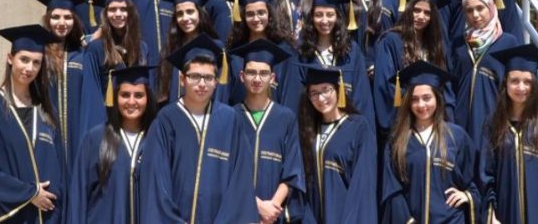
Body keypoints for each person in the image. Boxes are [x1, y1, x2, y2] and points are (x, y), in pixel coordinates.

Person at [139, 34, 259, 223]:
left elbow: (240, 182)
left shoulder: (229, 120)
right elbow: (156, 182)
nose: (202, 84)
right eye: (195, 77)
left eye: (208, 78)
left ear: (216, 81)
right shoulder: (166, 120)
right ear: (182, 79)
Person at [0, 25, 66, 223]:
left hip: (48, 217)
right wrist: (29, 193)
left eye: (36, 63)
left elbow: (61, 169)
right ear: (10, 58)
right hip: (14, 217)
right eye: (24, 59)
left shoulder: (46, 112)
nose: (30, 68)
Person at [480, 45, 538, 224]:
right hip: (505, 216)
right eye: (514, 81)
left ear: (535, 85)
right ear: (505, 83)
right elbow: (486, 174)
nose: (521, 87)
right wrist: (491, 215)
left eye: (527, 82)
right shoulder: (493, 123)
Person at [381, 61, 479, 224]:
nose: (421, 105)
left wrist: (468, 196)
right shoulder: (397, 141)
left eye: (427, 98)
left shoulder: (456, 136)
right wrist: (407, 220)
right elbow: (392, 190)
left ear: (437, 99)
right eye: (414, 99)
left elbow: (474, 179)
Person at [66, 66, 157, 224]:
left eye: (139, 95)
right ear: (115, 97)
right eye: (125, 95)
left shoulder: (156, 140)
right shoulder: (94, 139)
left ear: (148, 98)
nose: (131, 101)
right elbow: (79, 196)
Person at [231, 39, 306, 223]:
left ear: (272, 78)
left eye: (263, 73)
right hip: (238, 213)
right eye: (251, 73)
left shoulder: (285, 118)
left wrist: (271, 209)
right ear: (242, 76)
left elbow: (293, 170)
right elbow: (226, 171)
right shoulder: (230, 117)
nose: (257, 79)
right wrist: (256, 205)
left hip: (274, 215)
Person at [32, 0, 102, 169]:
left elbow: (92, 101)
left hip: (78, 139)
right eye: (55, 17)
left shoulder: (83, 55)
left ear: (75, 20)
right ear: (47, 20)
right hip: (47, 138)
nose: (61, 22)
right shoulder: (39, 56)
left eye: (68, 17)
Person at [373, 0, 449, 141]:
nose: (421, 16)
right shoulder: (391, 41)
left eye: (427, 12)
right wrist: (414, 109)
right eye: (416, 10)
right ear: (407, 9)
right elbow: (385, 85)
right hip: (402, 123)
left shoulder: (435, 45)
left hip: (432, 122)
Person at [299, 67, 377, 223]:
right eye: (314, 93)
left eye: (325, 90)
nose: (320, 98)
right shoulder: (309, 131)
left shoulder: (358, 128)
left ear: (338, 90)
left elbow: (362, 185)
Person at [448, 0, 519, 146]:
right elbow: (451, 83)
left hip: (494, 121)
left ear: (492, 7)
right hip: (462, 122)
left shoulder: (507, 42)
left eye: (480, 8)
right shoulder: (458, 44)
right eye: (469, 10)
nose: (475, 15)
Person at [297, 0, 375, 127]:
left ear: (337, 17)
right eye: (319, 15)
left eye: (330, 14)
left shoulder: (351, 51)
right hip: (312, 128)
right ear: (311, 18)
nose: (324, 21)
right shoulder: (303, 51)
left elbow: (362, 98)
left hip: (347, 129)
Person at [226, 0, 298, 108]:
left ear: (269, 14)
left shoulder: (285, 50)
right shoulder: (234, 53)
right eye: (250, 14)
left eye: (261, 12)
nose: (256, 19)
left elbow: (291, 93)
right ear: (243, 17)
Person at [83, 0, 148, 103]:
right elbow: (91, 93)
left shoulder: (142, 48)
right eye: (112, 9)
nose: (118, 14)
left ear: (130, 13)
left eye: (123, 9)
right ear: (105, 14)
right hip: (106, 116)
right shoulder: (96, 49)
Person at [158, 0, 218, 106]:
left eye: (190, 12)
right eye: (180, 14)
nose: (185, 18)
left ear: (200, 13)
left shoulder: (215, 47)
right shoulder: (172, 47)